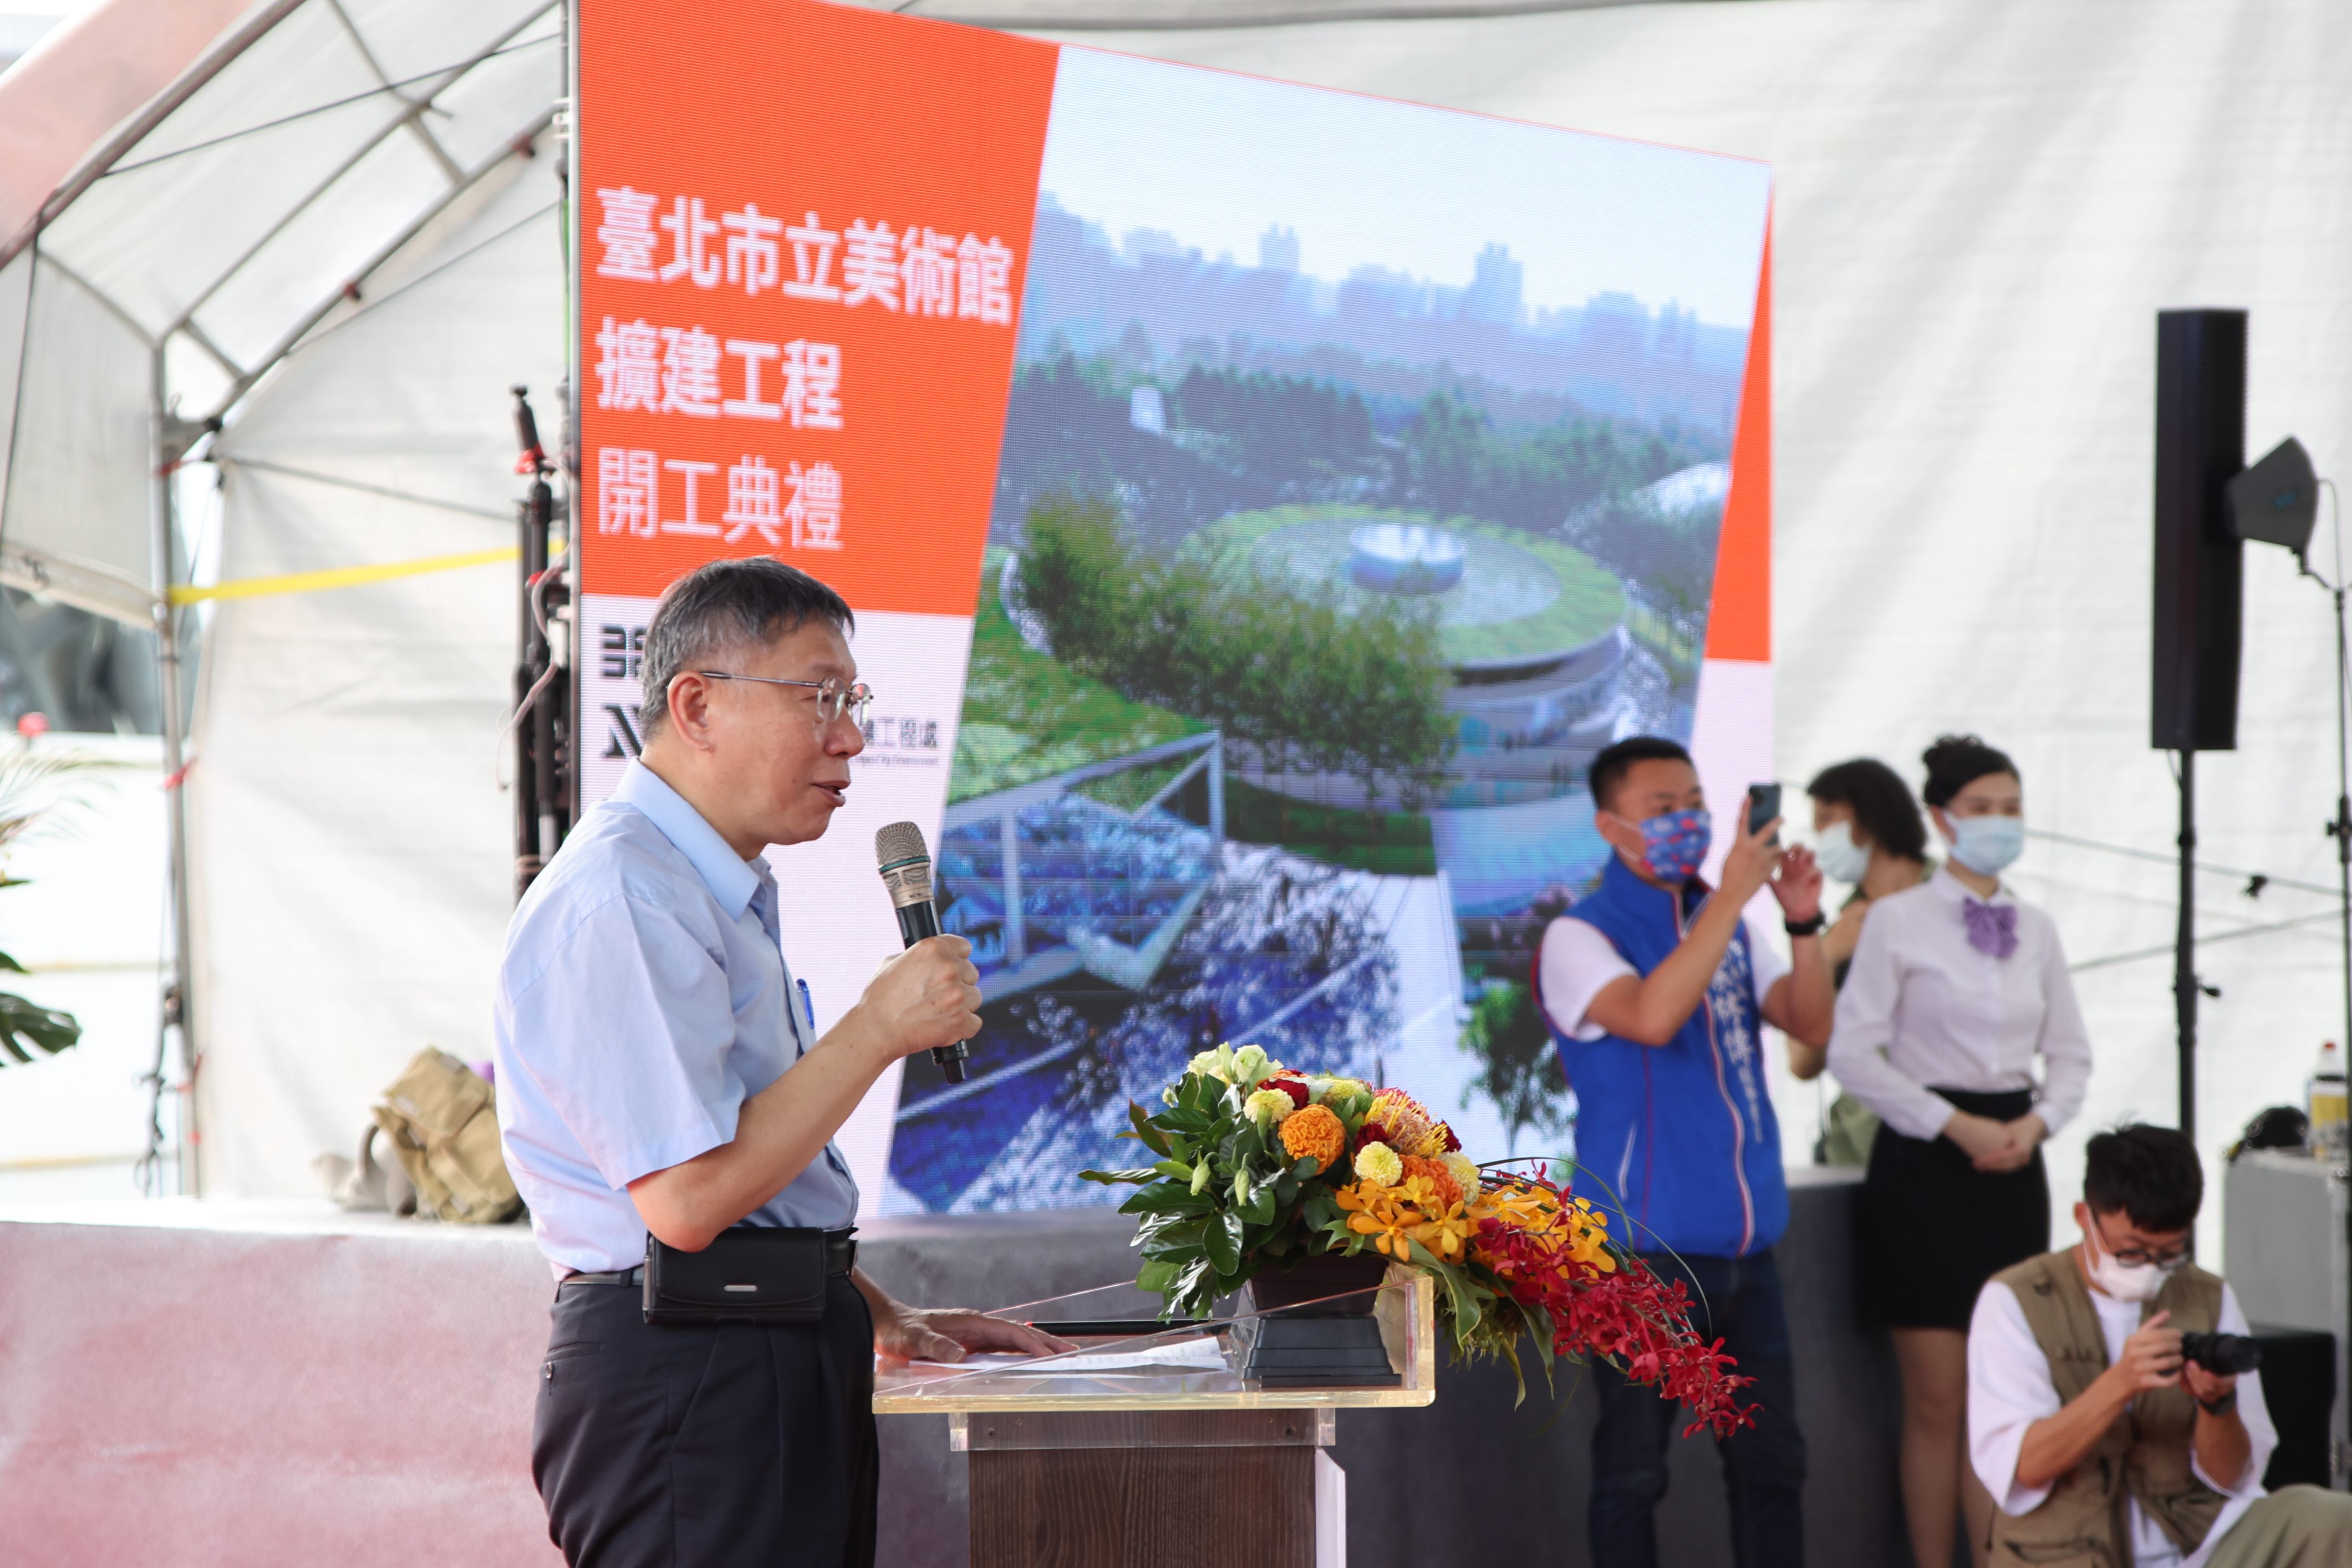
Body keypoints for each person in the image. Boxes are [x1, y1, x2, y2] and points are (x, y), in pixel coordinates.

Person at [494, 559, 1068, 1568]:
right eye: (818, 698)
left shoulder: (707, 888)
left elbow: (745, 1182)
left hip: (759, 1345)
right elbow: (685, 1200)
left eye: (853, 701)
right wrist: (876, 1028)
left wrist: (870, 1305)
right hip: (691, 1378)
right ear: (696, 705)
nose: (850, 737)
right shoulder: (623, 898)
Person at [1535, 734, 1836, 1568]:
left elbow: (1811, 1023)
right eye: (1662, 808)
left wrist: (1801, 919)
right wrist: (1731, 896)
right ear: (1610, 826)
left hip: (1749, 1250)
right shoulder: (1579, 934)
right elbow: (1652, 1015)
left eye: (1696, 803)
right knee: (1634, 1473)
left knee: (1772, 1466)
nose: (1688, 820)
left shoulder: (1724, 920)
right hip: (1639, 1255)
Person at [1827, 734, 2093, 1568]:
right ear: (1942, 818)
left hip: (2014, 1163)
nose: (1998, 822)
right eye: (1981, 808)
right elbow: (1850, 1054)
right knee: (1938, 1400)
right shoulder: (1896, 919)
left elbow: (2072, 1055)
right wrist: (1953, 1123)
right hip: (1924, 1165)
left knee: (2000, 1397)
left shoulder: (2037, 927)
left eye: (2011, 808)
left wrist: (2037, 1125)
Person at [1970, 1124, 2352, 1566]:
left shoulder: (2207, 1296)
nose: (2151, 1269)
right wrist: (2120, 1384)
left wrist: (2217, 1406)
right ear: (2083, 1218)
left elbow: (2232, 1481)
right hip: (2065, 1555)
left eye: (2170, 1253)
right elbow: (2024, 1467)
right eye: (2132, 1252)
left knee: (2330, 1518)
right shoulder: (2015, 1300)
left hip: (2200, 1546)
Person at [1790, 757, 1936, 1165]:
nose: (1821, 838)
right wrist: (1824, 958)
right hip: (1859, 1150)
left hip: (1953, 1146)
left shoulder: (1964, 903)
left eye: (1827, 819)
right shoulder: (1841, 929)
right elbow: (1802, 1062)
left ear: (1870, 816)